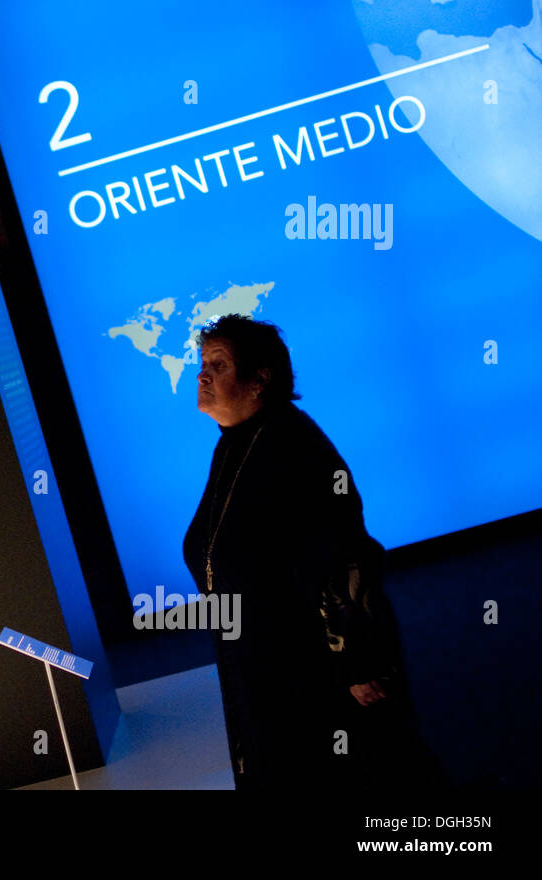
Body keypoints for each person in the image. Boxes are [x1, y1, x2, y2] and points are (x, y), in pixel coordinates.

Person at [182, 314, 441, 789]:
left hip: (307, 667)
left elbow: (343, 556)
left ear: (261, 379)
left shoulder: (294, 447)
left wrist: (359, 662)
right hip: (257, 661)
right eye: (202, 363)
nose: (202, 375)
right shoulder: (234, 445)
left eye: (218, 364)